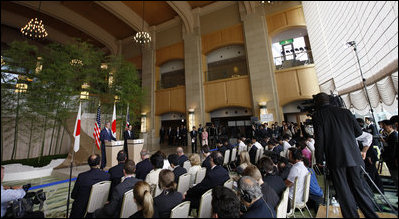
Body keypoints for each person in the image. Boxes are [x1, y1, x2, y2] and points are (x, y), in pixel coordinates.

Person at [312, 92, 379, 218]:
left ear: (317, 103)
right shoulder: (346, 112)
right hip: (354, 157)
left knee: (344, 192)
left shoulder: (318, 115)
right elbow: (358, 132)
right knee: (359, 190)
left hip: (336, 159)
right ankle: (372, 216)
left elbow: (319, 140)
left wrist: (319, 159)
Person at [381, 119, 398, 193]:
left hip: (393, 161)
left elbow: (393, 150)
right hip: (390, 160)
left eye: (384, 126)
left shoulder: (394, 135)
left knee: (396, 178)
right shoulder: (390, 135)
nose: (383, 127)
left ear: (390, 126)